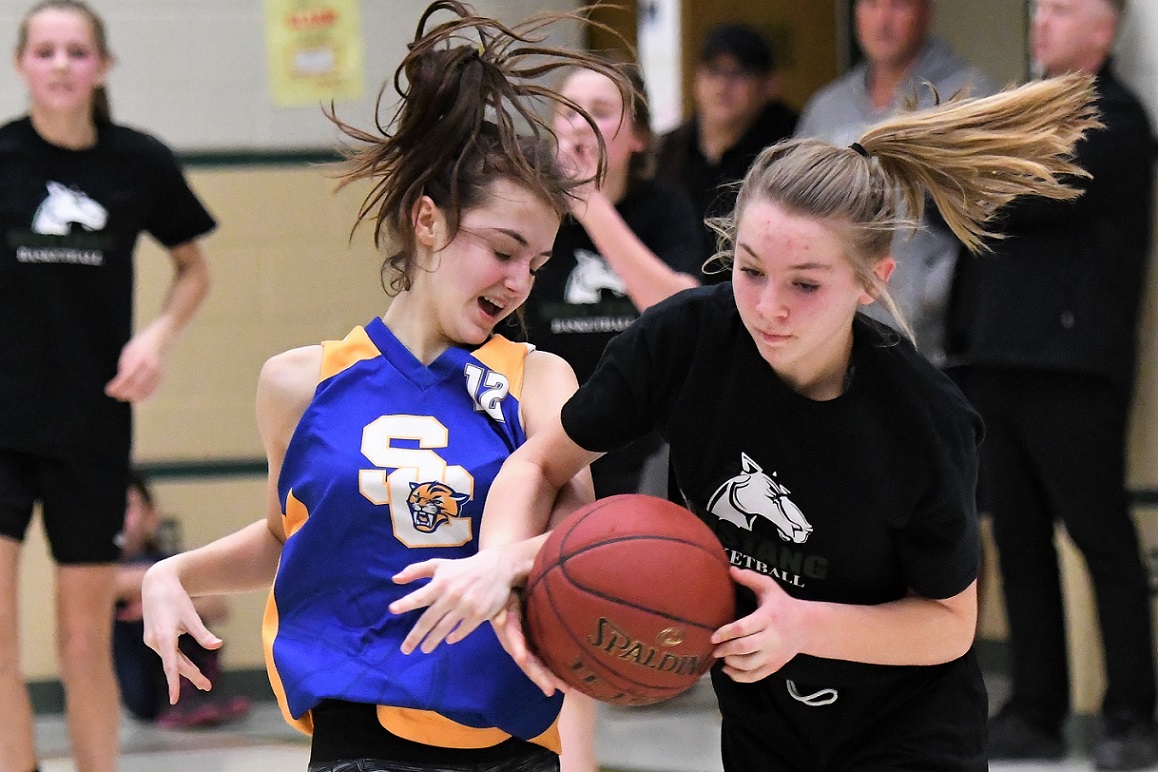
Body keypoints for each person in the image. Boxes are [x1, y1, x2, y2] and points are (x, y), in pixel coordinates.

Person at [390, 73, 1101, 772]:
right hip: (766, 727)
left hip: (908, 731)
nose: (769, 306)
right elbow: (538, 463)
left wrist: (801, 624)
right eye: (750, 269)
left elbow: (948, 626)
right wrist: (501, 566)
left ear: (872, 279)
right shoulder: (686, 340)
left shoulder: (926, 420)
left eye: (806, 284)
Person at [139, 3, 624, 770]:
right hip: (355, 738)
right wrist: (175, 571)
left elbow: (580, 548)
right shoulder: (300, 383)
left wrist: (501, 565)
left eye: (536, 262)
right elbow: (281, 537)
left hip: (510, 741)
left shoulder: (539, 379)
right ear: (427, 221)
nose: (518, 280)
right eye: (503, 249)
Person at [0, 2, 215, 770]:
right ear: (23, 63)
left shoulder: (137, 163)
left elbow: (194, 268)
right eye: (46, 51)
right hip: (4, 425)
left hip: (93, 429)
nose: (61, 64)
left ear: (103, 67)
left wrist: (156, 336)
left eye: (77, 52)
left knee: (84, 638)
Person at [951, 0, 1158, 768]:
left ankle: (1131, 712)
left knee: (1099, 536)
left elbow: (1023, 194)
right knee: (1022, 538)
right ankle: (1033, 707)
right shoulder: (1017, 110)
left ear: (1104, 32)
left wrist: (959, 166)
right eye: (1039, 7)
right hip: (999, 358)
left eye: (1065, 8)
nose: (1042, 20)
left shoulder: (1118, 121)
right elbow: (962, 211)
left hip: (1074, 367)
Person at [519, 59, 702, 500]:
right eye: (568, 111)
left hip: (641, 435)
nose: (580, 126)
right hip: (542, 427)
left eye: (599, 111)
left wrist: (589, 202)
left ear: (637, 137)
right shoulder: (530, 209)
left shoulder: (665, 207)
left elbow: (681, 315)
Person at [795, 0, 993, 367]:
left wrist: (935, 292)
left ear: (928, 11)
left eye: (898, 5)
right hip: (835, 337)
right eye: (871, 4)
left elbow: (990, 210)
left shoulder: (966, 98)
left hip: (933, 343)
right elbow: (796, 212)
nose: (882, 20)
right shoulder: (826, 108)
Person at [113, 470, 251, 728]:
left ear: (152, 515)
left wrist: (171, 605)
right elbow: (114, 585)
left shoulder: (170, 561)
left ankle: (195, 692)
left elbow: (219, 607)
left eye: (127, 508)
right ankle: (182, 698)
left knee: (181, 616)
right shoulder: (102, 572)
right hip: (139, 682)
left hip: (181, 671)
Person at [656, 23, 797, 270]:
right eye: (713, 71)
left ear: (768, 85)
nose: (723, 85)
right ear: (696, 79)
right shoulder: (667, 149)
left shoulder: (789, 148)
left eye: (739, 74)